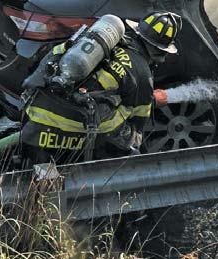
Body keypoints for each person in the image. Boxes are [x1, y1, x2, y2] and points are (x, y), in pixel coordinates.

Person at [17, 11, 182, 165]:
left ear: (137, 31)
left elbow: (54, 55)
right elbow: (139, 121)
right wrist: (152, 100)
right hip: (73, 126)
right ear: (160, 51)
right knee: (131, 138)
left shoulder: (103, 39)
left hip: (37, 110)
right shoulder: (143, 74)